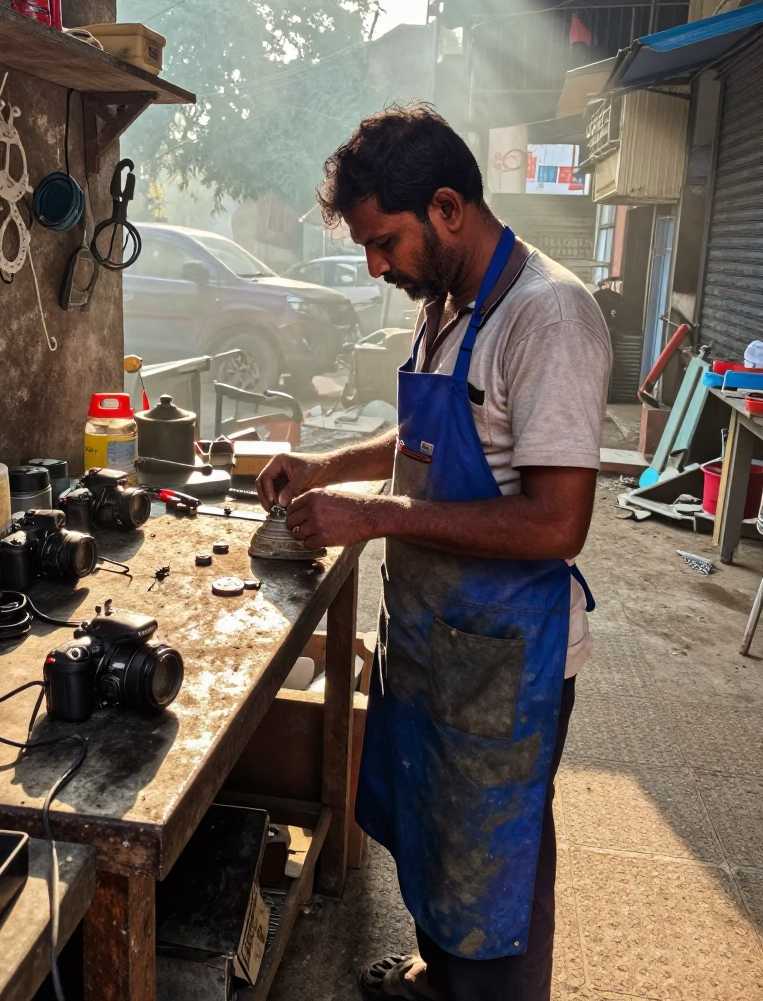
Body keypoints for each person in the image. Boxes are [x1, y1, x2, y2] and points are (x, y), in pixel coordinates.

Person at [256, 105, 611, 1001]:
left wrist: (375, 520)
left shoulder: (550, 318)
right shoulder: (447, 305)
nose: (377, 266)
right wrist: (323, 468)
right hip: (430, 632)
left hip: (504, 657)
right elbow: (420, 441)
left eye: (386, 241)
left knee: (498, 859)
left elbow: (555, 523)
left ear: (448, 207)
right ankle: (434, 975)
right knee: (431, 826)